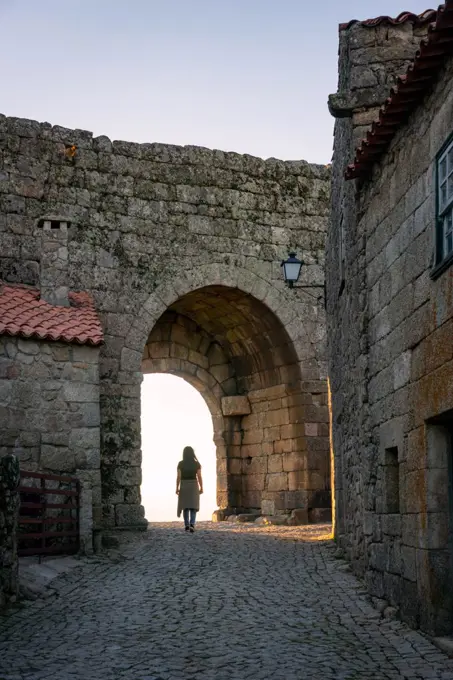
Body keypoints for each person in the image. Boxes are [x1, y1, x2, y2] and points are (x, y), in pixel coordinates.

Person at [176, 446, 203, 533]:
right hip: (193, 485)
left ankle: (187, 525)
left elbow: (178, 477)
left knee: (185, 506)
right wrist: (201, 487)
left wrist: (177, 487)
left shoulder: (180, 464)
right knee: (193, 506)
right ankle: (192, 524)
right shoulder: (196, 464)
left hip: (184, 485)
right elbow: (199, 476)